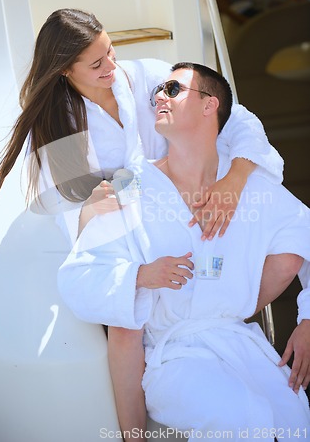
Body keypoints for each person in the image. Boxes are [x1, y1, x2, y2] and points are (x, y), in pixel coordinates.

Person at [0, 9, 305, 438]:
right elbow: (77, 226)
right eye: (97, 64)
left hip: (199, 263)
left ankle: (222, 311)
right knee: (140, 331)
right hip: (132, 231)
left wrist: (235, 178)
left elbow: (237, 117)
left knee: (289, 417)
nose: (112, 67)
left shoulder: (152, 79)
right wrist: (125, 253)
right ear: (65, 70)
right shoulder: (60, 129)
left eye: (111, 52)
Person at [57, 63, 310, 441]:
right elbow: (80, 274)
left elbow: (301, 234)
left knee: (293, 420)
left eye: (174, 89)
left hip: (241, 347)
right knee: (238, 417)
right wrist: (140, 276)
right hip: (173, 359)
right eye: (159, 89)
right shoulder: (129, 183)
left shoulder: (248, 187)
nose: (160, 95)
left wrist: (308, 320)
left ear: (210, 105)